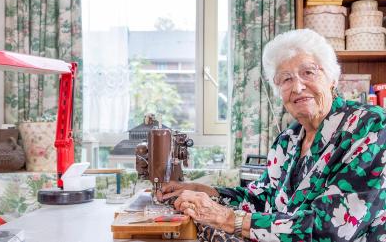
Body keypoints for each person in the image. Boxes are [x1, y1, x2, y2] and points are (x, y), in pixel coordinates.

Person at [158, 29, 386, 241]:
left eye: (308, 72)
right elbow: (265, 198)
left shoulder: (370, 126)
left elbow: (333, 228)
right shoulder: (287, 141)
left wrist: (226, 218)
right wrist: (209, 192)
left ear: (333, 78)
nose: (297, 87)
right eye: (286, 79)